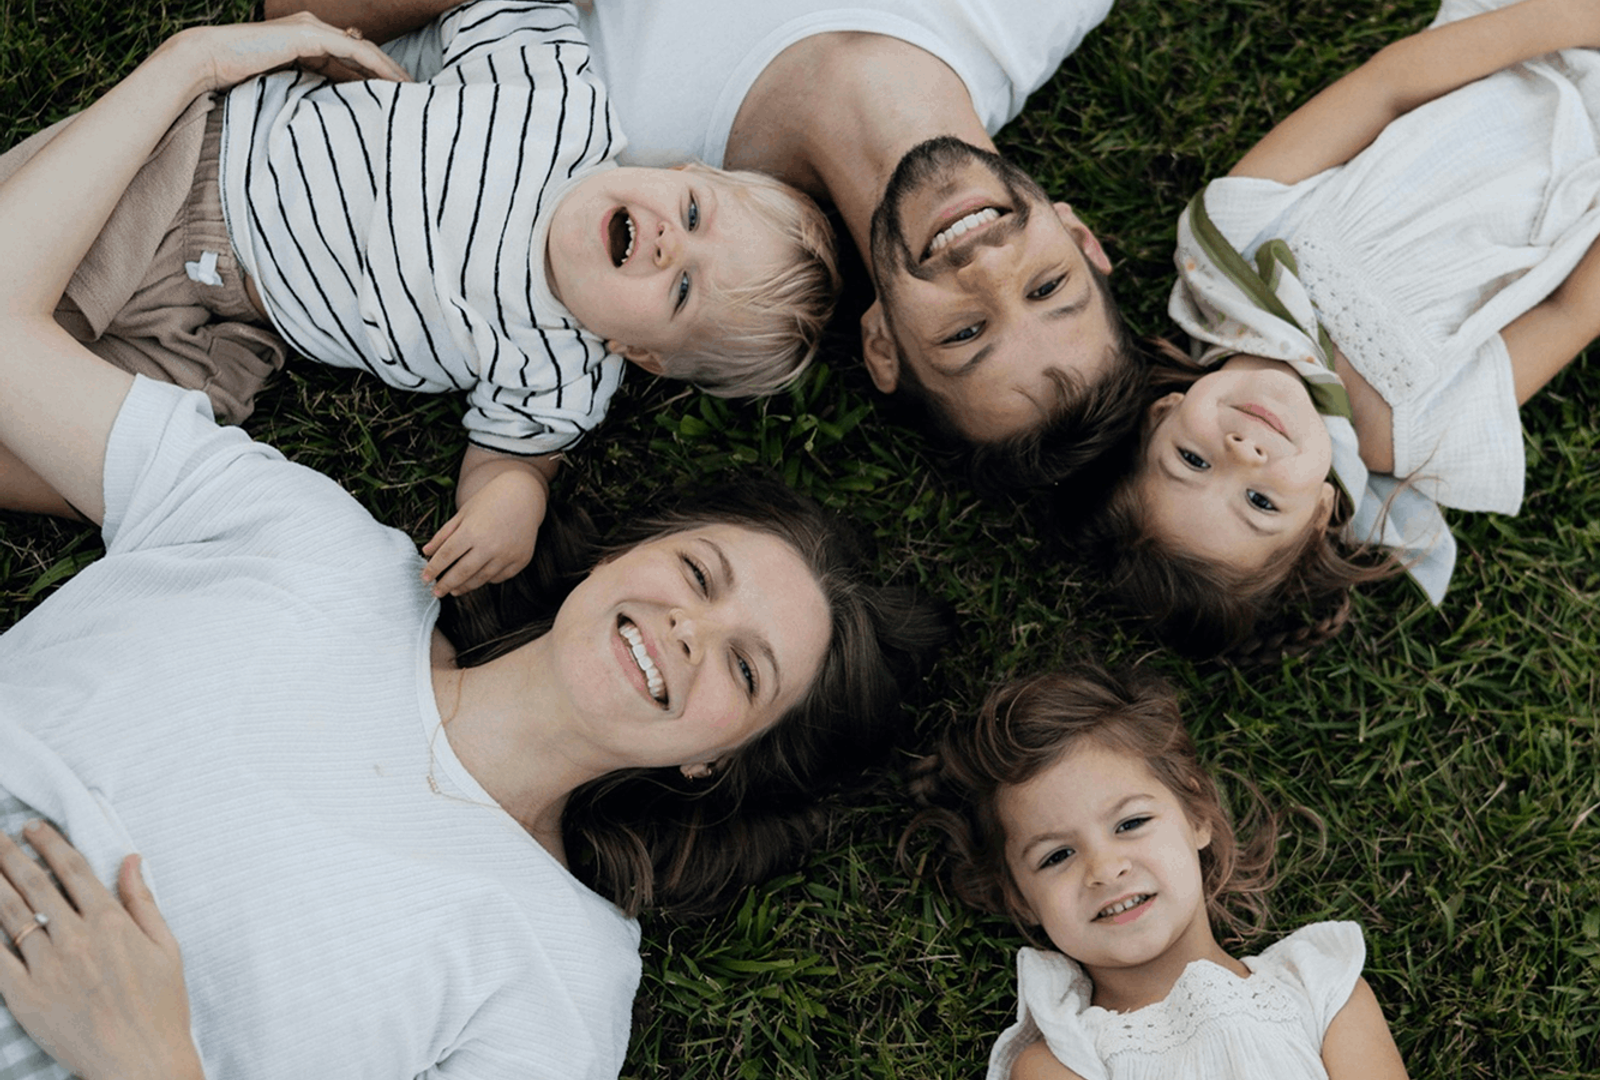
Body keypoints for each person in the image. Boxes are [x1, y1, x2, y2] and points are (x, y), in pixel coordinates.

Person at [0, 16, 945, 1079]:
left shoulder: (560, 975)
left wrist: (144, 1062)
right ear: (620, 554)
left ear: (716, 758)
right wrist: (191, 64)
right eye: (698, 573)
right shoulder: (302, 537)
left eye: (745, 667)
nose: (690, 628)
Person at [1080, 0, 1600, 661]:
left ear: (1161, 413)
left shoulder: (1225, 250)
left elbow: (1388, 85)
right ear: (1320, 514)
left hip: (1520, 46)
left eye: (1193, 461)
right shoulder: (1407, 432)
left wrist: (1575, 16)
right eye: (1262, 503)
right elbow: (1571, 310)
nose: (1244, 452)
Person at [0, 0, 840, 600]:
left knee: (113, 459)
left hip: (233, 331)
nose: (666, 243)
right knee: (39, 301)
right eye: (692, 213)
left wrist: (511, 502)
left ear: (644, 356)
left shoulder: (562, 375)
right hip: (203, 174)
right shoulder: (558, 99)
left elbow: (513, 456)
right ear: (684, 172)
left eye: (683, 288)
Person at [268, 0, 1149, 492]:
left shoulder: (612, 172)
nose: (985, 269)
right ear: (1080, 238)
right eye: (1047, 288)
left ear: (884, 343)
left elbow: (309, 19)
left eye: (964, 333)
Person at [909, 664, 1409, 1080]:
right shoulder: (1062, 1061)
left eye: (1131, 823)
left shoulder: (1319, 988)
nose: (1105, 869)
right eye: (1057, 856)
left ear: (1198, 816)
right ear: (1019, 897)